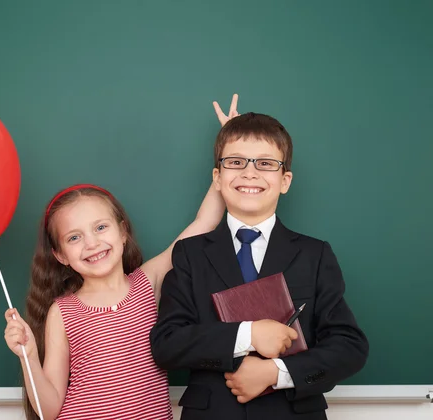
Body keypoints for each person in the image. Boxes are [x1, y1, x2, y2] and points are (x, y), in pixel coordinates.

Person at [2, 94, 241, 419]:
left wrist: (230, 153)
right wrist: (28, 354)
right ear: (60, 255)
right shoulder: (64, 312)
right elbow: (49, 408)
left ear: (123, 231)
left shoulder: (149, 281)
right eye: (74, 237)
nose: (92, 243)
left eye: (100, 227)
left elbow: (204, 223)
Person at [150, 111, 369, 420]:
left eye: (265, 163)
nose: (250, 173)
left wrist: (277, 372)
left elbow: (349, 346)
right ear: (217, 178)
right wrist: (248, 335)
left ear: (285, 181)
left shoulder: (314, 254)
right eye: (236, 162)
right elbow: (168, 345)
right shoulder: (190, 254)